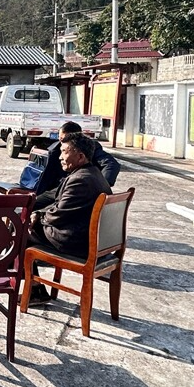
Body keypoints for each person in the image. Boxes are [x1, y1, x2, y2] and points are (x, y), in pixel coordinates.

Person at [27, 133, 113, 304]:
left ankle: (34, 290)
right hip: (92, 239)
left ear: (80, 156)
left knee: (20, 229)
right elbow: (59, 204)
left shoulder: (80, 180)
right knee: (25, 224)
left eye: (65, 152)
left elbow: (57, 215)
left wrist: (37, 215)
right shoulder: (92, 173)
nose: (60, 157)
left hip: (78, 243)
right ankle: (31, 285)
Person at [30, 121, 120, 210]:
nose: (62, 143)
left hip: (76, 188)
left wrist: (100, 185)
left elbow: (110, 164)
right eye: (60, 139)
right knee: (31, 204)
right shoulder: (55, 149)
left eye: (66, 139)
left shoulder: (89, 147)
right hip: (58, 187)